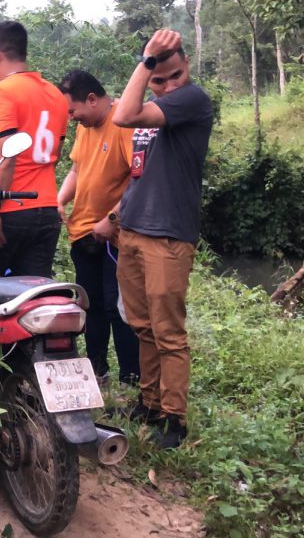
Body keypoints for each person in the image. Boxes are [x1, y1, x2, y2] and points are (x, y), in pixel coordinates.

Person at [112, 29, 214, 449]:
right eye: (160, 80)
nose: (169, 85)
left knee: (168, 331)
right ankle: (149, 402)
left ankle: (174, 418)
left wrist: (149, 61)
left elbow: (122, 115)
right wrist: (117, 216)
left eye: (175, 75)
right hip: (133, 229)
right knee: (142, 327)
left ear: (186, 64)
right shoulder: (155, 105)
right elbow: (142, 171)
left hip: (168, 236)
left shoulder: (193, 100)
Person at [56, 69, 140, 385]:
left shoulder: (124, 123)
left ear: (92, 99)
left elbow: (139, 180)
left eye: (74, 110)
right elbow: (77, 170)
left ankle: (130, 378)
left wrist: (112, 219)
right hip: (83, 233)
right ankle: (96, 372)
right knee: (89, 306)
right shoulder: (86, 127)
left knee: (117, 308)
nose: (72, 118)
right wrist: (60, 199)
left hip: (114, 237)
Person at [0, 20, 69, 278]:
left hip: (9, 212)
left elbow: (5, 156)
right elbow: (55, 155)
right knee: (32, 299)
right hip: (47, 210)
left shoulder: (2, 93)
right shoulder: (56, 95)